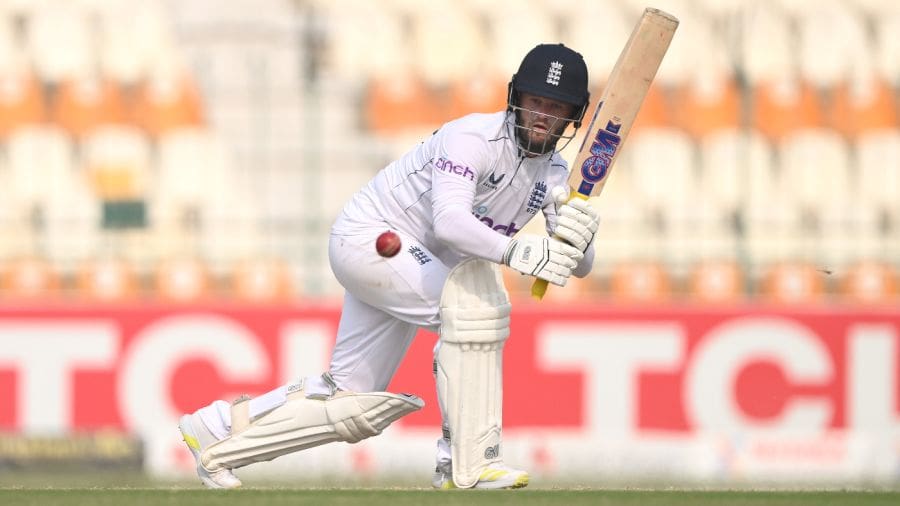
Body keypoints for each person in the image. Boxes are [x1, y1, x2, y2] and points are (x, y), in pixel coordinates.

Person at [178, 43, 600, 490]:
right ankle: (467, 463)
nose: (542, 116)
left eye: (556, 108)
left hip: (411, 261)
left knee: (351, 402)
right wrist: (517, 252)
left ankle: (218, 433)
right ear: (515, 96)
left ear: (573, 116)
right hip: (374, 238)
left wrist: (582, 234)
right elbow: (451, 222)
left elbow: (579, 266)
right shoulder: (473, 138)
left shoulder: (555, 173)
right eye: (536, 102)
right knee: (472, 313)